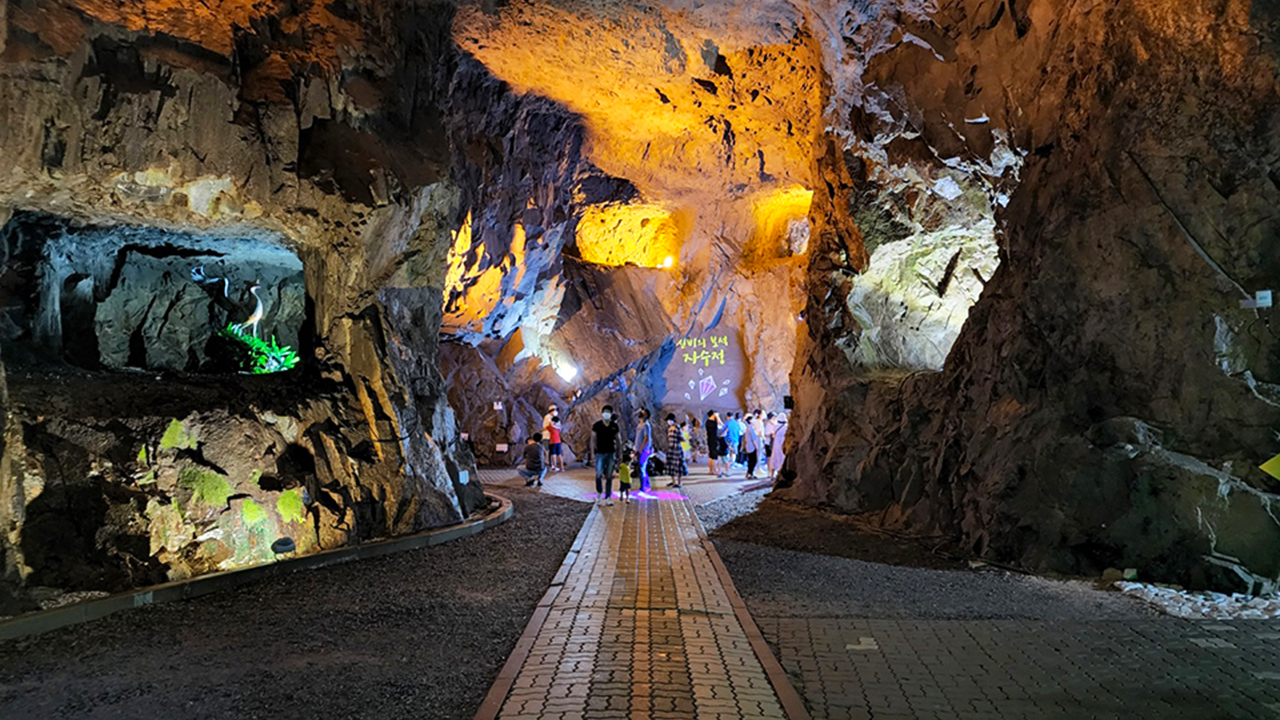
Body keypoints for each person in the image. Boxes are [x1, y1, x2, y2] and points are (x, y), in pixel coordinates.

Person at [591, 405, 621, 505]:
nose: (606, 414)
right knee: (598, 474)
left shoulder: (614, 426)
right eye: (605, 412)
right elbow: (593, 439)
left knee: (609, 476)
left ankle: (608, 496)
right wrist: (592, 453)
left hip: (610, 453)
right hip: (600, 453)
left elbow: (618, 440)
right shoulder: (597, 425)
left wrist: (619, 454)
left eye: (608, 412)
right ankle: (599, 494)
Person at [634, 408, 653, 492]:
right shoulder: (639, 425)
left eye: (643, 413)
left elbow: (646, 438)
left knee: (642, 468)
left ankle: (643, 487)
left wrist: (641, 449)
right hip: (639, 449)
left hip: (644, 450)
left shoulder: (646, 425)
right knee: (642, 468)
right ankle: (646, 485)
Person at [665, 414, 686, 488]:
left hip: (677, 448)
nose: (668, 422)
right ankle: (673, 481)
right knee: (671, 465)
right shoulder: (669, 428)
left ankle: (679, 482)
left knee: (678, 466)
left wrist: (679, 438)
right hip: (671, 448)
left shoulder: (677, 427)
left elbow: (683, 438)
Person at [768, 415, 788, 479]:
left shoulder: (775, 427)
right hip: (783, 443)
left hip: (776, 444)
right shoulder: (786, 427)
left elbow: (773, 435)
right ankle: (781, 474)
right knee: (782, 458)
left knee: (774, 458)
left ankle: (771, 474)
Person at [705, 410, 721, 477]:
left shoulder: (707, 422)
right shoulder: (712, 422)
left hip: (710, 439)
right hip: (714, 440)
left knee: (711, 455)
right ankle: (714, 470)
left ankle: (711, 470)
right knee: (714, 456)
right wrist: (717, 417)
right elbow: (720, 424)